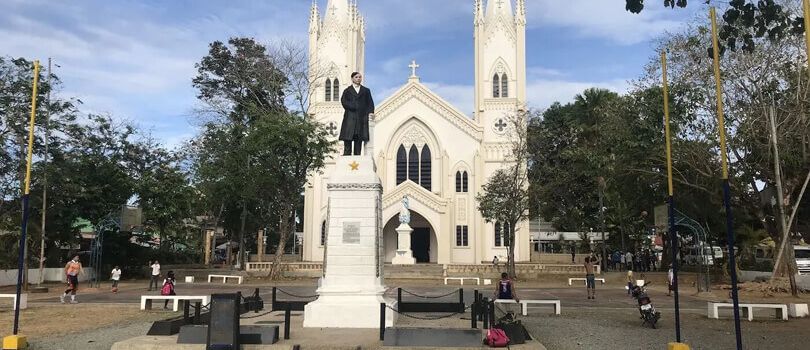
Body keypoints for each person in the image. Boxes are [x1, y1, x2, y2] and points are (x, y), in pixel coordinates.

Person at [339, 72, 375, 156]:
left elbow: (370, 103)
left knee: (358, 140)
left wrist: (370, 112)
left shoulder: (366, 91)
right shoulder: (347, 91)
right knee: (347, 140)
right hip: (350, 119)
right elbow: (344, 101)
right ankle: (346, 159)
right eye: (356, 77)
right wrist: (353, 106)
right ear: (352, 79)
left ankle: (357, 159)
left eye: (360, 77)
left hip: (361, 119)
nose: (358, 78)